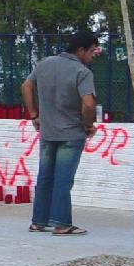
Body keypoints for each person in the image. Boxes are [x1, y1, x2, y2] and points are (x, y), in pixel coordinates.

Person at [21, 31, 98, 236]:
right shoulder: (82, 72)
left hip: (47, 131)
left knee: (45, 177)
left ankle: (38, 221)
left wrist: (34, 114)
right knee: (63, 180)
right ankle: (62, 224)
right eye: (91, 51)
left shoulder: (45, 63)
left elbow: (26, 86)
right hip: (71, 134)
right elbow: (89, 103)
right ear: (80, 50)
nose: (92, 55)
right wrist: (87, 124)